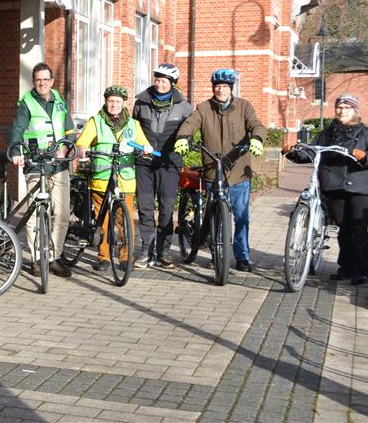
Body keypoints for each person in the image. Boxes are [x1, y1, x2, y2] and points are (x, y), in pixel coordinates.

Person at [283, 94, 368, 284]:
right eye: (339, 107)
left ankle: (362, 270)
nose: (342, 111)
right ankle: (346, 268)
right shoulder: (327, 133)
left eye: (347, 108)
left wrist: (364, 156)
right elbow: (310, 152)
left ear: (355, 111)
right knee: (343, 228)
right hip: (334, 184)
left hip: (359, 185)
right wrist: (292, 153)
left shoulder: (366, 133)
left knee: (358, 227)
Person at [175, 68, 267, 272]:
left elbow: (256, 125)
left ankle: (242, 256)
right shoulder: (204, 108)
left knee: (242, 217)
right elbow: (190, 123)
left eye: (224, 86)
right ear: (213, 88)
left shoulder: (244, 106)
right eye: (217, 86)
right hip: (212, 170)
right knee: (216, 214)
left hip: (238, 172)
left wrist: (258, 139)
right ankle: (218, 253)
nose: (220, 90)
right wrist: (183, 137)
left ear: (230, 88)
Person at [9, 62, 76, 278]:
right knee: (35, 214)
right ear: (34, 81)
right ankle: (38, 259)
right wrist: (17, 151)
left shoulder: (59, 101)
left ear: (52, 81)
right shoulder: (26, 102)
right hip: (36, 164)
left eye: (46, 80)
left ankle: (54, 257)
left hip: (59, 166)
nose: (42, 83)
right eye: (38, 80)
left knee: (62, 213)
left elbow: (70, 130)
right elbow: (17, 130)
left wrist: (66, 147)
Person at [76, 85, 150, 271]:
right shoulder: (96, 121)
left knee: (125, 221)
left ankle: (126, 257)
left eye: (118, 101)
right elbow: (83, 141)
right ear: (106, 102)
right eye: (111, 101)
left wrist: (146, 149)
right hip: (102, 179)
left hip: (125, 179)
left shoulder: (133, 124)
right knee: (105, 220)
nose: (114, 104)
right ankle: (104, 257)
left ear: (124, 103)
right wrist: (82, 149)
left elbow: (144, 144)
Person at [132, 63, 193, 269]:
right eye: (157, 79)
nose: (159, 84)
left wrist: (187, 143)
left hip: (170, 163)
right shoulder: (141, 103)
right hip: (144, 163)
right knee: (145, 207)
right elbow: (133, 129)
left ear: (172, 84)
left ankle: (164, 252)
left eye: (164, 81)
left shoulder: (184, 106)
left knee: (166, 209)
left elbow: (189, 133)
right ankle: (145, 252)